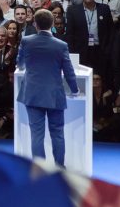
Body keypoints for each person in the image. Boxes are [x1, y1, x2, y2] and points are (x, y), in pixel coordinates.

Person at [16, 9, 79, 166]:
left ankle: (39, 169)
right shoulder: (61, 45)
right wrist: (75, 90)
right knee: (57, 133)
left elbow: (20, 64)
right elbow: (69, 71)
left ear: (35, 24)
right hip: (54, 94)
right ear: (52, 24)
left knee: (36, 135)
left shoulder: (26, 41)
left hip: (32, 93)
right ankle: (59, 168)